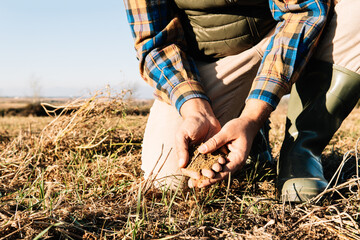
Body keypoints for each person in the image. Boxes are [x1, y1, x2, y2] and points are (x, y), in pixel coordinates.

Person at [124, 0, 360, 202]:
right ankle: (254, 137)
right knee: (168, 179)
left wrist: (252, 116)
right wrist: (195, 108)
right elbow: (155, 42)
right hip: (210, 64)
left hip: (281, 35)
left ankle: (301, 150)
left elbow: (305, 10)